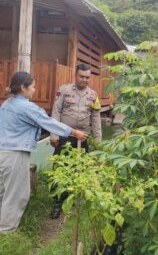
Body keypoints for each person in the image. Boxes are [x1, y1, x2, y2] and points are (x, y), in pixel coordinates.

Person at [0, 72, 87, 233]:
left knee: (3, 191)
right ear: (22, 87)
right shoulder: (27, 107)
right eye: (32, 86)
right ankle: (6, 232)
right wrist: (74, 132)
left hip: (2, 152)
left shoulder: (7, 103)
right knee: (17, 194)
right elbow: (48, 122)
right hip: (15, 154)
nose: (34, 90)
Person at [49, 63, 102, 218]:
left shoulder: (93, 95)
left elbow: (96, 119)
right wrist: (54, 134)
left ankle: (73, 201)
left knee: (80, 169)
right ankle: (57, 203)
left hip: (83, 138)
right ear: (75, 75)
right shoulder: (64, 90)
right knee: (59, 170)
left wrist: (98, 141)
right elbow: (56, 111)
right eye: (82, 76)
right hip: (64, 137)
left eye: (87, 77)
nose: (84, 80)